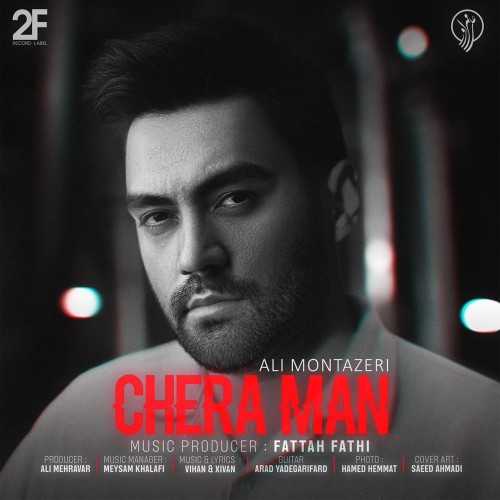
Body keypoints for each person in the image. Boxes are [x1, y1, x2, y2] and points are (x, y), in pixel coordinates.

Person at [1, 17, 499, 500]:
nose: (194, 256)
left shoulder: (478, 442)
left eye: (234, 199)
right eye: (158, 216)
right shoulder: (81, 428)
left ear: (340, 202)